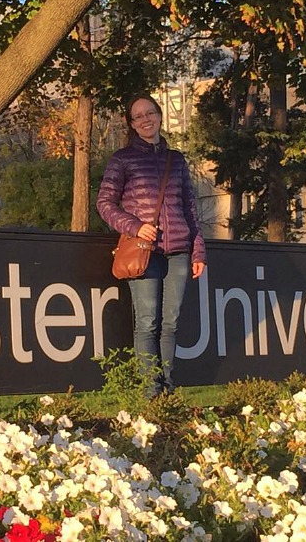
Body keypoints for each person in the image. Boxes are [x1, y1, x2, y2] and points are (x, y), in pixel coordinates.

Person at [96, 93, 207, 397]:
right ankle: (150, 392)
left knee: (170, 323)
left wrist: (198, 250)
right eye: (138, 116)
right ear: (131, 124)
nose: (146, 120)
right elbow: (104, 203)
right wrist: (134, 226)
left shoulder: (178, 160)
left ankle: (167, 390)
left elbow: (190, 207)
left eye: (150, 113)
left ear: (159, 116)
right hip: (143, 252)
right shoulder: (123, 159)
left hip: (179, 251)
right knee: (147, 323)